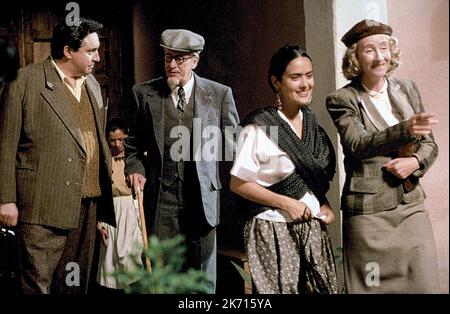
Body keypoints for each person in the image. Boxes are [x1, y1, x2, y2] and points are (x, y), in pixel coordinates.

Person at [0, 18, 115, 294]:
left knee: (75, 284)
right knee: (38, 284)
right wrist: (6, 200)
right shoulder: (25, 82)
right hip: (42, 206)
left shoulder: (93, 86)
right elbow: (5, 144)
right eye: (90, 51)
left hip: (87, 205)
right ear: (67, 51)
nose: (97, 57)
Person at [326, 19, 440, 293]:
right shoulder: (343, 99)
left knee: (424, 285)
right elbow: (357, 143)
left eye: (384, 48)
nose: (380, 57)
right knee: (371, 287)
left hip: (411, 209)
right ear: (355, 58)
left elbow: (430, 145)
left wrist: (415, 162)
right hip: (369, 218)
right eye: (369, 50)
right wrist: (405, 130)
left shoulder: (407, 89)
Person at [125, 28, 240, 292]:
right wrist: (135, 168)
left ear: (195, 61)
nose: (172, 65)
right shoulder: (144, 94)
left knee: (201, 281)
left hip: (202, 202)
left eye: (180, 59)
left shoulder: (219, 94)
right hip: (160, 202)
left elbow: (234, 144)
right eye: (168, 58)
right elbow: (132, 145)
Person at [229, 45, 338, 294]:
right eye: (295, 77)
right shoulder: (259, 127)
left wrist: (322, 202)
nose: (305, 84)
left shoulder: (311, 124)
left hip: (311, 226)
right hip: (272, 228)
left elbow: (311, 176)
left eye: (309, 76)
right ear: (276, 82)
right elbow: (238, 183)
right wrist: (286, 203)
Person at [96, 118, 144, 292]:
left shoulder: (135, 160)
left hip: (131, 211)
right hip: (110, 211)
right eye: (112, 140)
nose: (117, 144)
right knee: (110, 261)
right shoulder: (103, 160)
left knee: (131, 260)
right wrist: (99, 222)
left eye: (121, 139)